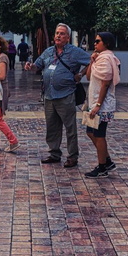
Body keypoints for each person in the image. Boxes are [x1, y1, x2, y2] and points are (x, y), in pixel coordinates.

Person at [25, 23, 91, 168]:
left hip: (65, 95)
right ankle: (54, 154)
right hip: (49, 95)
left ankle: (72, 156)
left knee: (70, 127)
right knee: (52, 127)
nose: (58, 36)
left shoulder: (75, 52)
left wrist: (81, 74)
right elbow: (38, 65)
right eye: (56, 33)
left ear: (68, 37)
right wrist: (31, 67)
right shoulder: (48, 51)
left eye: (62, 33)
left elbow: (91, 61)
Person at [84, 32, 120, 178]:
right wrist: (92, 61)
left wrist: (98, 104)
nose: (95, 43)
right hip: (93, 102)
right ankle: (107, 161)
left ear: (106, 43)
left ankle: (102, 167)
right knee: (90, 132)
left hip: (102, 105)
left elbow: (105, 83)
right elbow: (88, 76)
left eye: (98, 41)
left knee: (99, 135)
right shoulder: (99, 59)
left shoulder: (106, 59)